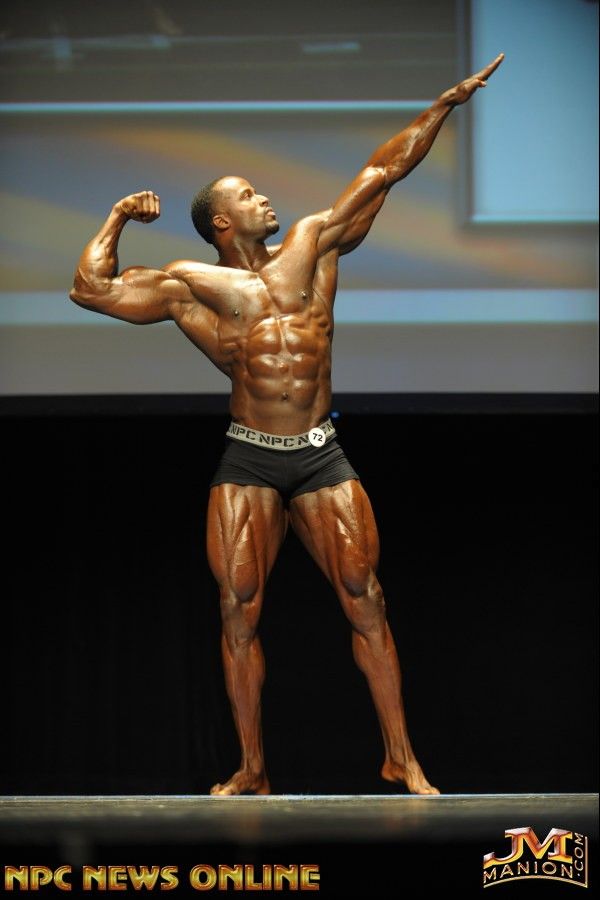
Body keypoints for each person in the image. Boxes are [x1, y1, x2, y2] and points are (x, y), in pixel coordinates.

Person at [70, 53, 504, 796]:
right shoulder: (191, 285)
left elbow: (382, 172)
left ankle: (402, 757)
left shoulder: (313, 244)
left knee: (366, 597)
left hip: (319, 452)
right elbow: (91, 289)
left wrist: (443, 106)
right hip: (248, 457)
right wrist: (116, 217)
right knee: (238, 610)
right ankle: (253, 768)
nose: (264, 197)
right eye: (248, 193)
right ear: (221, 221)